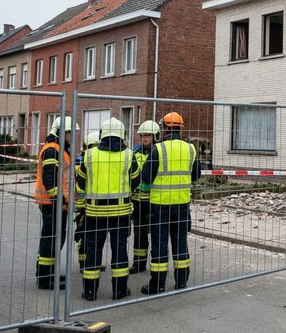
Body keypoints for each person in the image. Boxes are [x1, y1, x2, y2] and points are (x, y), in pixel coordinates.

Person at [76, 117, 139, 301]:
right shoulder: (128, 155)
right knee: (119, 250)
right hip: (121, 213)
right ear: (122, 135)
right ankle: (119, 292)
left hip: (95, 213)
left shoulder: (89, 155)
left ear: (102, 134)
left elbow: (80, 180)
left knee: (93, 250)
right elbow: (135, 180)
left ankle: (90, 293)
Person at [141, 112, 201, 294]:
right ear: (180, 128)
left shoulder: (158, 149)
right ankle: (181, 282)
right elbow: (196, 174)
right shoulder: (190, 148)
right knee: (180, 242)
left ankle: (157, 285)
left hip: (160, 205)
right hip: (182, 204)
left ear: (165, 128)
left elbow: (146, 176)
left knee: (159, 244)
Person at [34, 115, 78, 290]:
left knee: (53, 240)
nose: (72, 135)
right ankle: (45, 279)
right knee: (51, 240)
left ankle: (47, 273)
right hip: (53, 204)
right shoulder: (53, 150)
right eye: (69, 132)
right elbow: (50, 179)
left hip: (56, 203)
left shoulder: (59, 148)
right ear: (60, 132)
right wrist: (59, 201)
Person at [129, 120, 160, 274]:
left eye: (147, 135)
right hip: (137, 200)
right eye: (142, 135)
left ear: (155, 136)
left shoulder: (158, 151)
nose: (144, 138)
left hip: (153, 200)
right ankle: (139, 263)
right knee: (139, 232)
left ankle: (156, 263)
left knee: (155, 232)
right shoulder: (135, 151)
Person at [74, 131, 100, 271]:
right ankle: (85, 263)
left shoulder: (81, 160)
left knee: (86, 234)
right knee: (86, 235)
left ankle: (86, 262)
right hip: (86, 205)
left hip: (84, 204)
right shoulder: (85, 162)